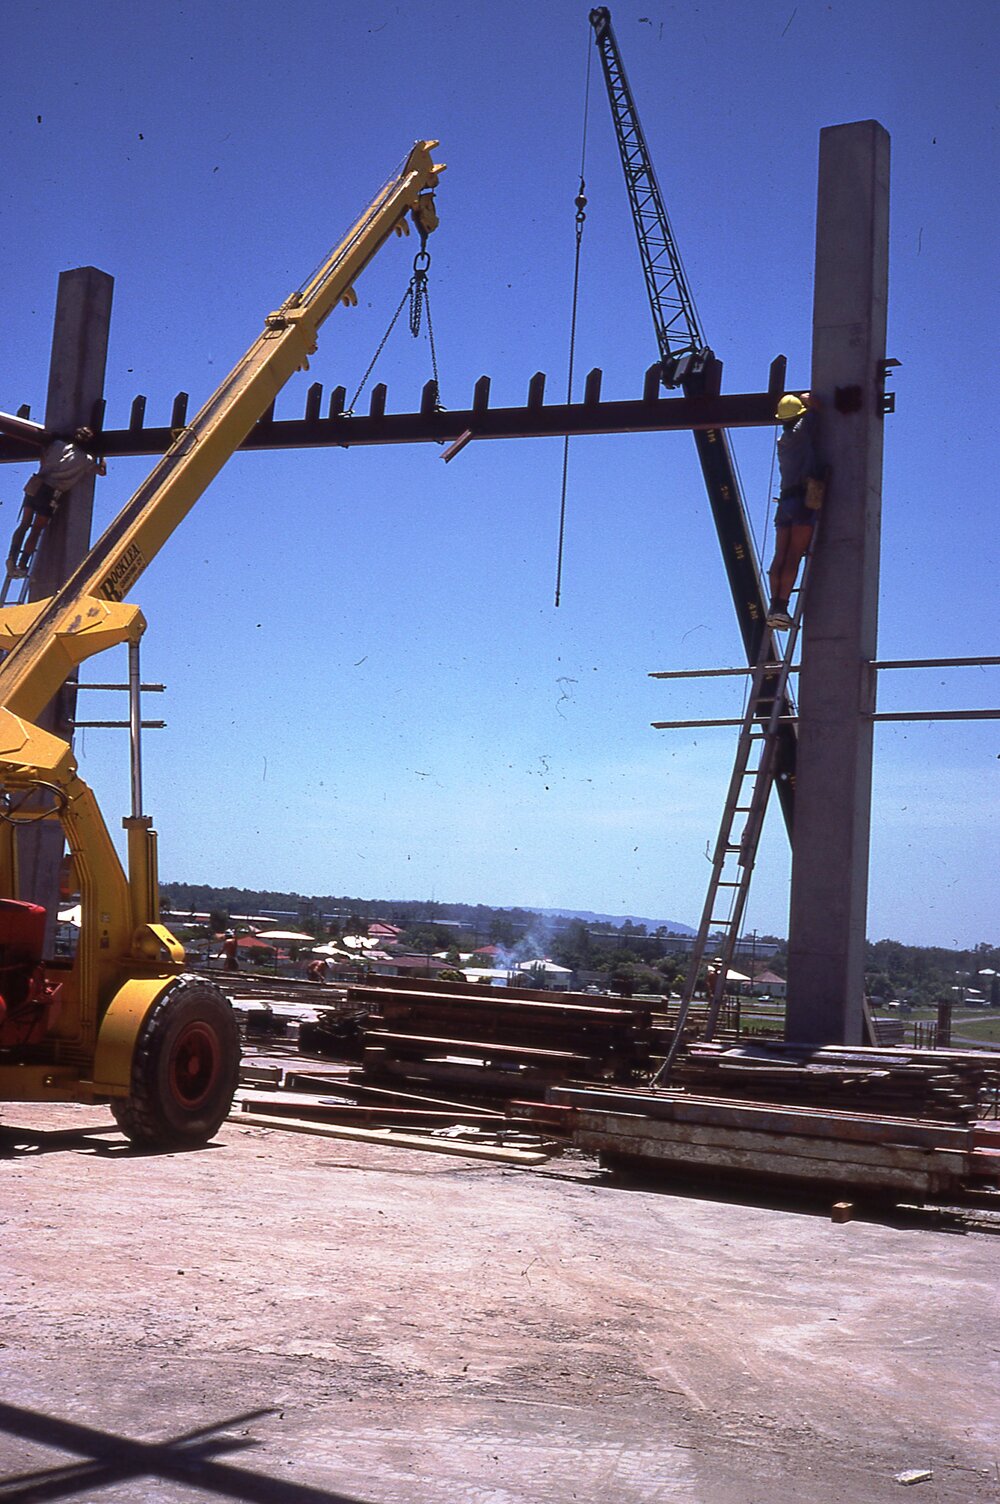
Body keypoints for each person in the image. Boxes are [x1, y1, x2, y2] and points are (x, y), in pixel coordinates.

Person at [6, 427, 107, 578]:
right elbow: (102, 471)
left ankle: (12, 557)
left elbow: (43, 457)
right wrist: (103, 456)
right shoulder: (86, 460)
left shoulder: (58, 445)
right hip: (51, 492)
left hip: (36, 483)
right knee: (36, 529)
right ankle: (22, 565)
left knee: (24, 524)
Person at [766, 392, 825, 630]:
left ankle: (776, 606)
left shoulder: (783, 441)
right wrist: (809, 399)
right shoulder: (803, 430)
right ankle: (781, 608)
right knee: (793, 555)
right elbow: (818, 408)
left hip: (786, 501)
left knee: (780, 555)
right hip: (802, 500)